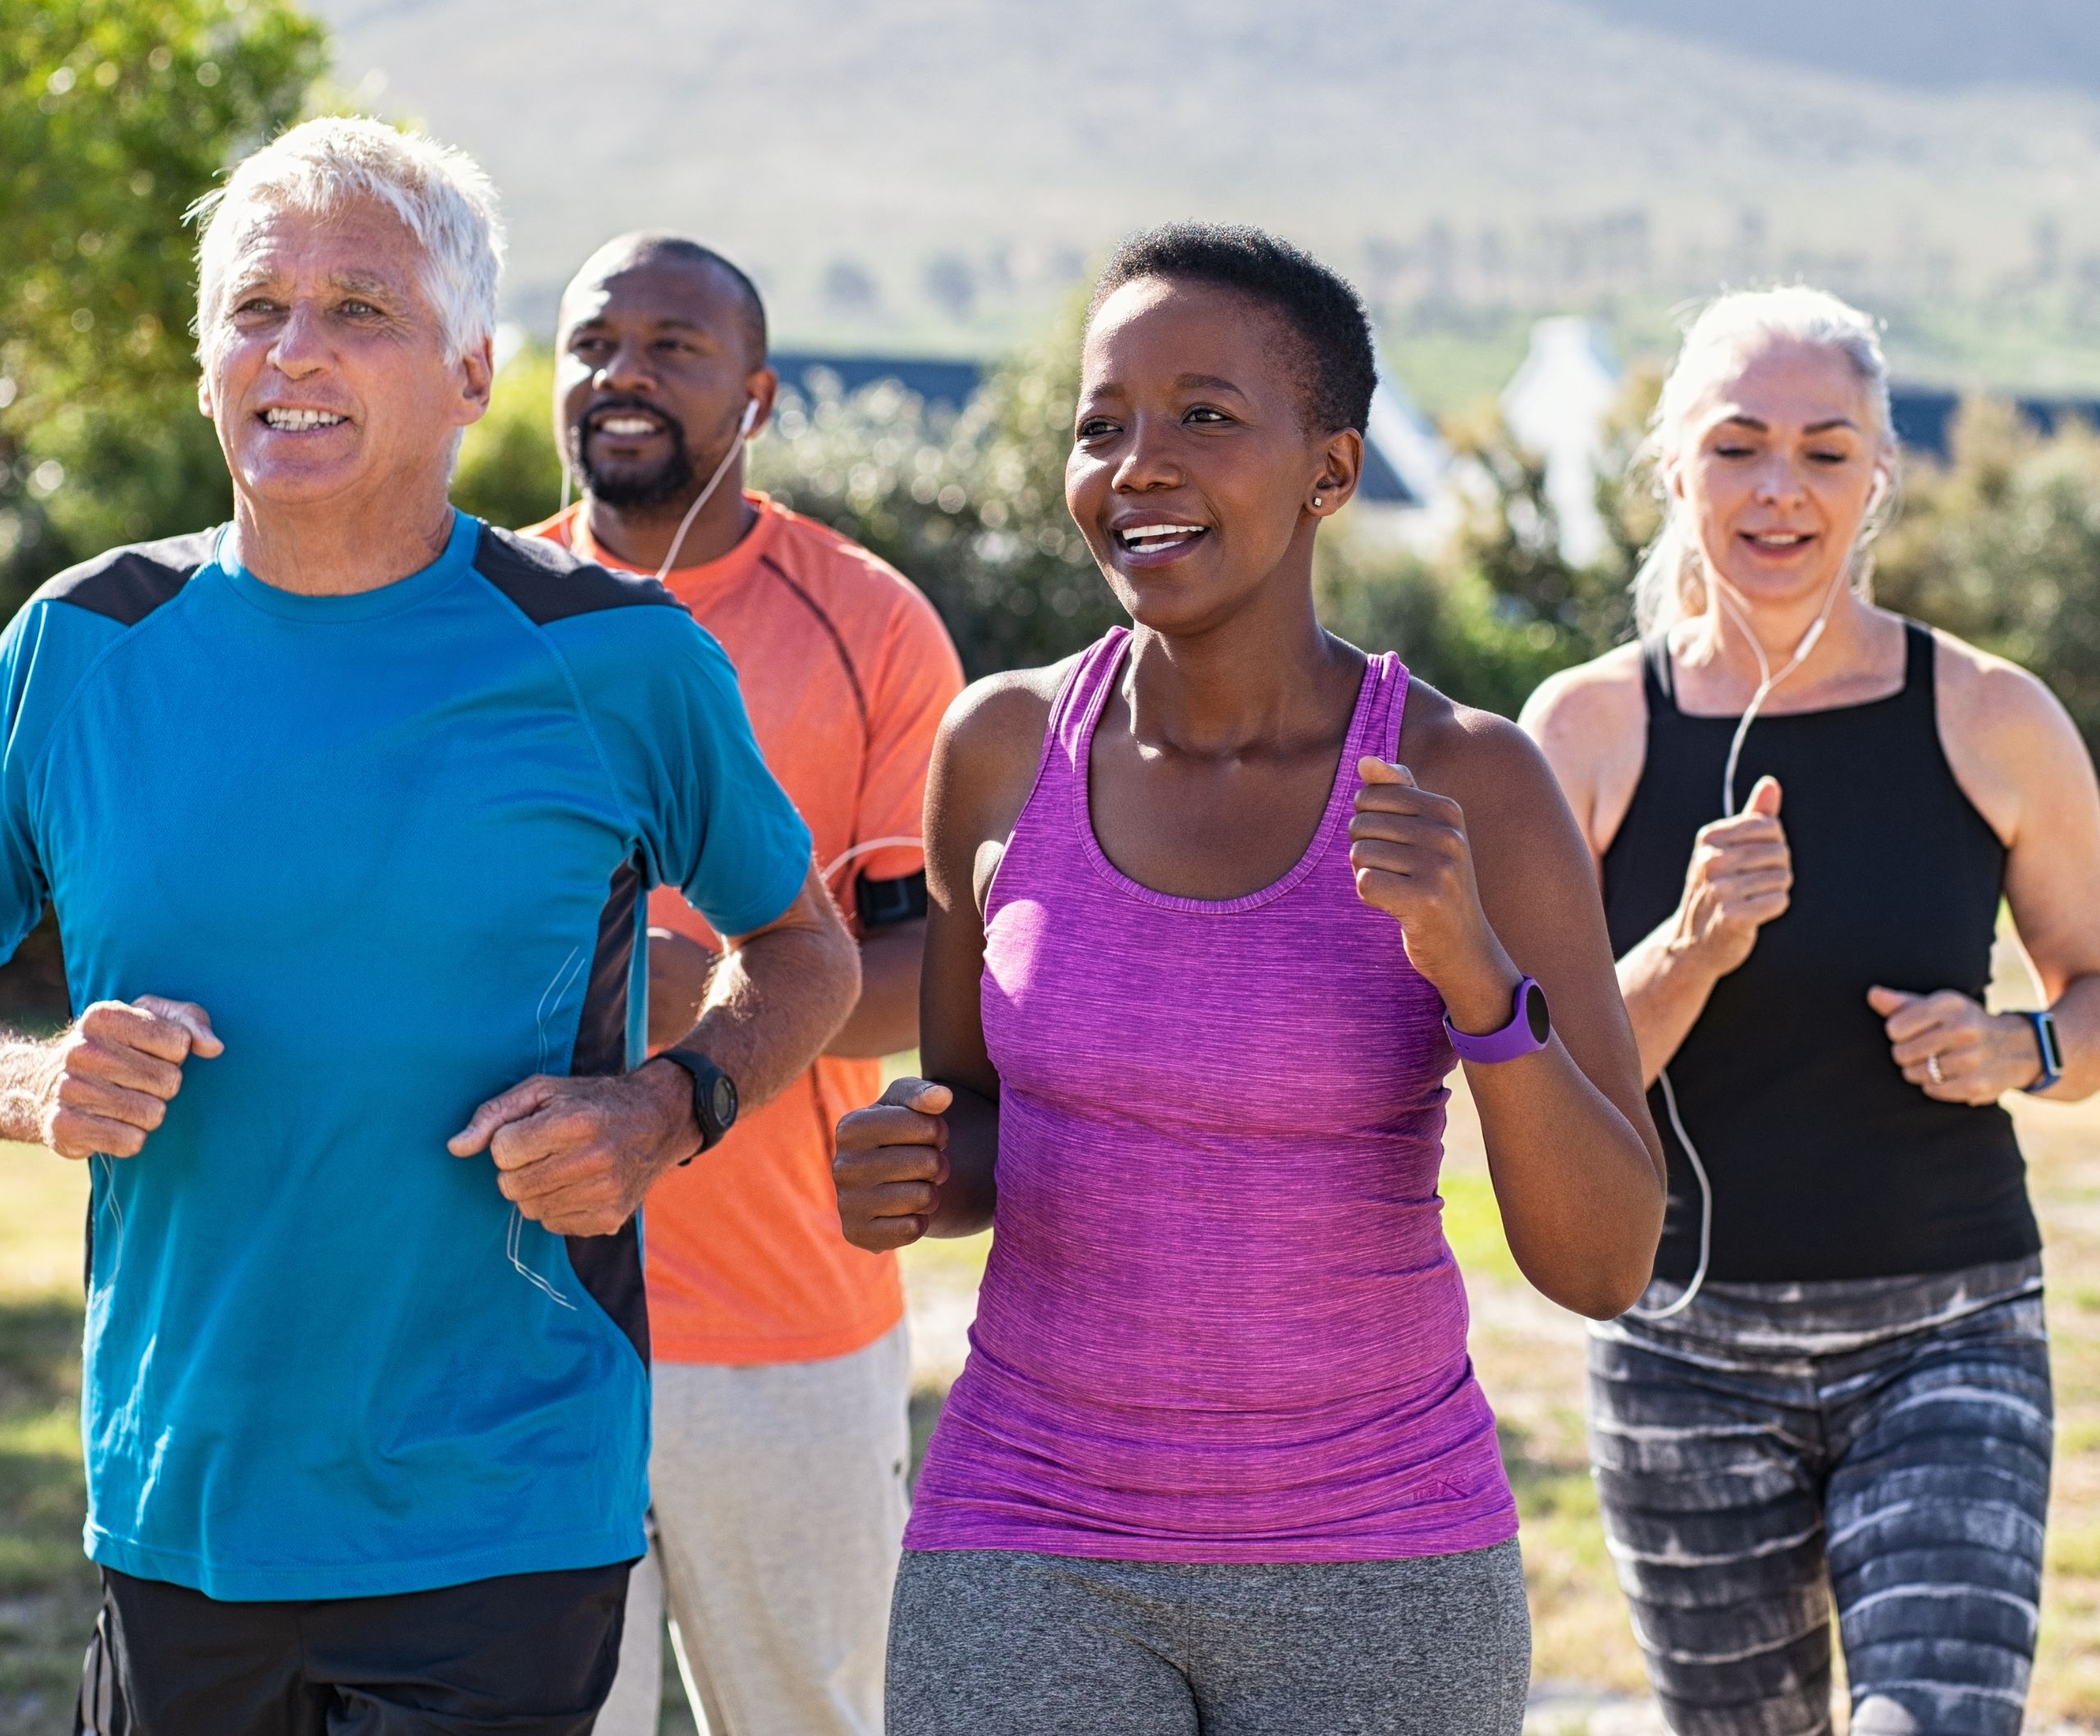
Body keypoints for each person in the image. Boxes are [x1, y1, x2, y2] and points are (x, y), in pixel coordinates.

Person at [0, 116, 861, 1736]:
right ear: (205, 363)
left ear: (472, 373)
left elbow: (805, 947)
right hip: (180, 1497)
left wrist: (666, 1105)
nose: (295, 351)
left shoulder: (615, 656)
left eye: (359, 309)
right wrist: (38, 1082)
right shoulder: (75, 646)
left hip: (504, 1503)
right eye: (256, 309)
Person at [832, 224, 1665, 1736]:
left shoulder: (1470, 777)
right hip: (1027, 1528)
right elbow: (976, 1131)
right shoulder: (999, 748)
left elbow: (1604, 1261)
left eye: (1204, 415)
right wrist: (911, 1163)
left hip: (1379, 1559)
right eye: (1102, 424)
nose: (1136, 465)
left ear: (1330, 470)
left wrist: (1476, 973)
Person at [1522, 286, 2100, 1736]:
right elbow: (1534, 1079)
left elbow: (2095, 987)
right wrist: (1689, 948)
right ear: (1676, 469)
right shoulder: (1582, 733)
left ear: (1878, 477)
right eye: (1738, 446)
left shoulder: (1992, 714)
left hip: (1949, 1335)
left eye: (1825, 451)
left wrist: (2022, 1046)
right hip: (1679, 1351)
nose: (1780, 487)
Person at [529, 233, 964, 1736]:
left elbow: (936, 971)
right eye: (596, 343)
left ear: (758, 396)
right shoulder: (467, 612)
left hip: (786, 1325)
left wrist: (707, 997)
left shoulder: (871, 622)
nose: (624, 374)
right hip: (510, 1321)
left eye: (674, 346)